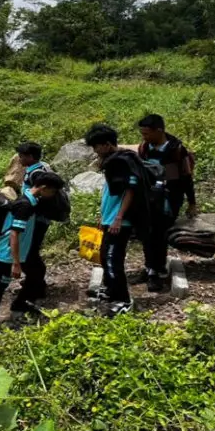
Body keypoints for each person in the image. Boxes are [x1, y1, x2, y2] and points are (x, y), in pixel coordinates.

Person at [0, 171, 66, 331]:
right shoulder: (25, 205)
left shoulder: (31, 200)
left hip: (22, 252)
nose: (53, 195)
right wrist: (16, 264)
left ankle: (20, 304)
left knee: (37, 272)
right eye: (52, 191)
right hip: (7, 254)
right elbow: (14, 234)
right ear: (43, 188)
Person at [85, 124, 142, 311]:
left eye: (96, 146)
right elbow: (111, 193)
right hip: (110, 218)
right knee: (104, 256)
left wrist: (118, 217)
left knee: (112, 259)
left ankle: (123, 300)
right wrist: (104, 216)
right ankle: (111, 290)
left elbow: (130, 190)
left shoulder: (122, 162)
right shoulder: (113, 161)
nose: (95, 151)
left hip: (120, 221)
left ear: (107, 144)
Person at [137, 114, 196, 291]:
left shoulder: (175, 150)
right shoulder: (145, 148)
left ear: (159, 131)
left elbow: (186, 177)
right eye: (142, 134)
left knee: (159, 235)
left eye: (147, 133)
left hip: (169, 200)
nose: (144, 137)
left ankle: (157, 271)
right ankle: (150, 267)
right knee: (147, 234)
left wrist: (192, 202)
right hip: (149, 198)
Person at [12, 142, 55, 309]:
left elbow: (42, 196)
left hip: (36, 220)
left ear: (30, 157)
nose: (20, 159)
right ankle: (37, 283)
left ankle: (36, 286)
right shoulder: (38, 169)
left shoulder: (37, 174)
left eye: (22, 156)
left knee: (30, 253)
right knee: (32, 253)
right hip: (34, 219)